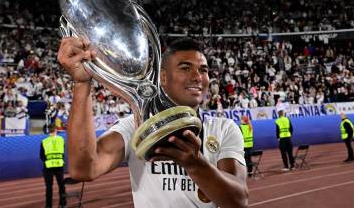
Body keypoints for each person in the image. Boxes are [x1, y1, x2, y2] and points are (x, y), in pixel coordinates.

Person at [57, 37, 249, 208]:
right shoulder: (137, 126)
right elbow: (84, 169)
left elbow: (239, 201)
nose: (197, 77)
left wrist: (195, 164)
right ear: (163, 77)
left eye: (203, 70)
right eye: (185, 68)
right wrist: (82, 84)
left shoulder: (224, 128)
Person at [40, 123, 66, 208]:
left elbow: (41, 156)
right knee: (61, 185)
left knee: (49, 187)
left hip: (48, 167)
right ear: (56, 130)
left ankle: (48, 206)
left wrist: (48, 161)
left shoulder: (44, 141)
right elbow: (63, 152)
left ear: (48, 131)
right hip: (59, 166)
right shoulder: (61, 139)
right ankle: (63, 204)